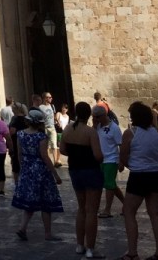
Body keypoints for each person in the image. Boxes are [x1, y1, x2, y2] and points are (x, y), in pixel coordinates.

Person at [118, 100, 158, 260]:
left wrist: (135, 165)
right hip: (156, 175)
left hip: (139, 176)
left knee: (128, 211)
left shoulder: (130, 133)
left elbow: (123, 156)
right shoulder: (156, 133)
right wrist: (155, 164)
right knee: (155, 213)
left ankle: (132, 253)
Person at [11, 108, 64, 242]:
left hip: (27, 170)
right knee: (46, 202)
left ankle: (22, 228)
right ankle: (47, 233)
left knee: (30, 201)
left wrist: (22, 168)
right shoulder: (41, 137)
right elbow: (45, 156)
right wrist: (55, 174)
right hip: (41, 172)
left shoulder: (20, 134)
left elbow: (19, 154)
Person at [59, 102, 104, 258]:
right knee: (92, 210)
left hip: (74, 171)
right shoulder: (90, 132)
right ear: (89, 115)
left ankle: (79, 245)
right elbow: (98, 156)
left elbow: (63, 150)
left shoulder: (67, 129)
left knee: (81, 208)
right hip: (91, 171)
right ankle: (90, 249)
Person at [91, 103, 125, 218]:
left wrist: (121, 161)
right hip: (100, 159)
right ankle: (126, 203)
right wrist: (94, 126)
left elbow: (121, 145)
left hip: (111, 159)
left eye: (96, 117)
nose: (94, 119)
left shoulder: (114, 128)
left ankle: (107, 209)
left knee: (109, 184)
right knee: (110, 184)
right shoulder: (98, 126)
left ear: (102, 116)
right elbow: (92, 137)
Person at [8, 103, 30, 186]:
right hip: (26, 142)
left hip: (16, 142)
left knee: (16, 163)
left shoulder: (15, 119)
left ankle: (17, 183)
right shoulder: (27, 118)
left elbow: (12, 132)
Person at [40, 92, 61, 167]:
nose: (51, 98)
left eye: (51, 97)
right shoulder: (40, 107)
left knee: (54, 144)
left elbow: (54, 115)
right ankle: (48, 161)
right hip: (45, 127)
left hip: (52, 127)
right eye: (49, 97)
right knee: (47, 146)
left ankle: (55, 161)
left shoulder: (52, 106)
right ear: (45, 98)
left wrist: (58, 122)